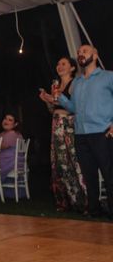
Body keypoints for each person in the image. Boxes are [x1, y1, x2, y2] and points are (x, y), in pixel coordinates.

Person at [52, 45, 113, 217]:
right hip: (80, 134)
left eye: (84, 51)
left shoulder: (108, 77)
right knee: (89, 174)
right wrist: (60, 98)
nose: (80, 54)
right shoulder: (77, 82)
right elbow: (74, 107)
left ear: (95, 55)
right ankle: (94, 209)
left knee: (109, 174)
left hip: (103, 132)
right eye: (78, 53)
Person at [38, 56, 87, 212]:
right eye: (58, 63)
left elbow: (75, 106)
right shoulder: (56, 85)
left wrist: (55, 98)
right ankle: (67, 201)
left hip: (69, 125)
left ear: (72, 68)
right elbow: (52, 109)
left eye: (64, 64)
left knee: (75, 160)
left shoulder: (76, 83)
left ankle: (86, 200)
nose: (59, 66)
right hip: (56, 123)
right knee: (60, 163)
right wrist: (47, 99)